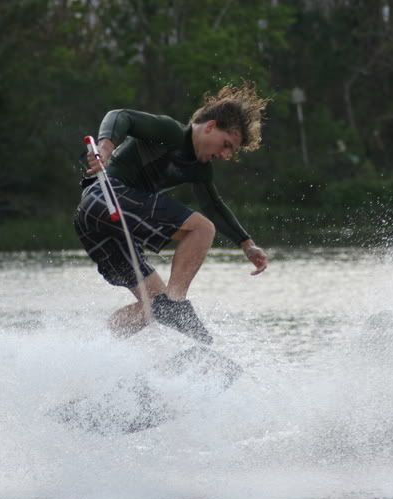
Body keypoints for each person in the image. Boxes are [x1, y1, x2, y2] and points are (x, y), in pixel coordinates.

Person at [74, 83, 269, 343]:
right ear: (210, 126)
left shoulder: (200, 169)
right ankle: (176, 304)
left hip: (93, 221)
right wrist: (105, 149)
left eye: (230, 152)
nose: (224, 155)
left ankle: (96, 348)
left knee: (153, 305)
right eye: (226, 145)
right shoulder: (171, 132)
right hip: (105, 195)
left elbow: (213, 206)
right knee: (202, 229)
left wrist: (247, 245)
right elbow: (121, 116)